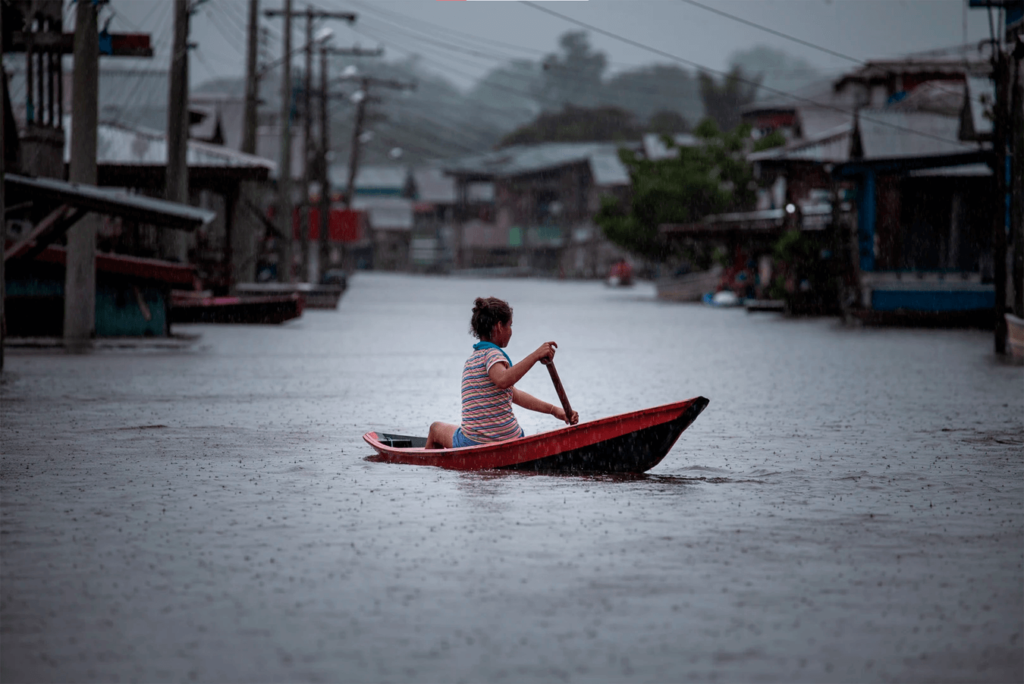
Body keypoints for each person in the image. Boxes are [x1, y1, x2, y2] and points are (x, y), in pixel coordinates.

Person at [425, 297, 580, 449]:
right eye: (510, 325)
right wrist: (535, 355)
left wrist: (554, 411)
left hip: (475, 443)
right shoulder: (492, 355)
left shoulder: (475, 359)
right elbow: (503, 380)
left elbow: (511, 391)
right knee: (437, 428)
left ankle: (432, 463)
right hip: (511, 439)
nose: (511, 332)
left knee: (435, 429)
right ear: (499, 326)